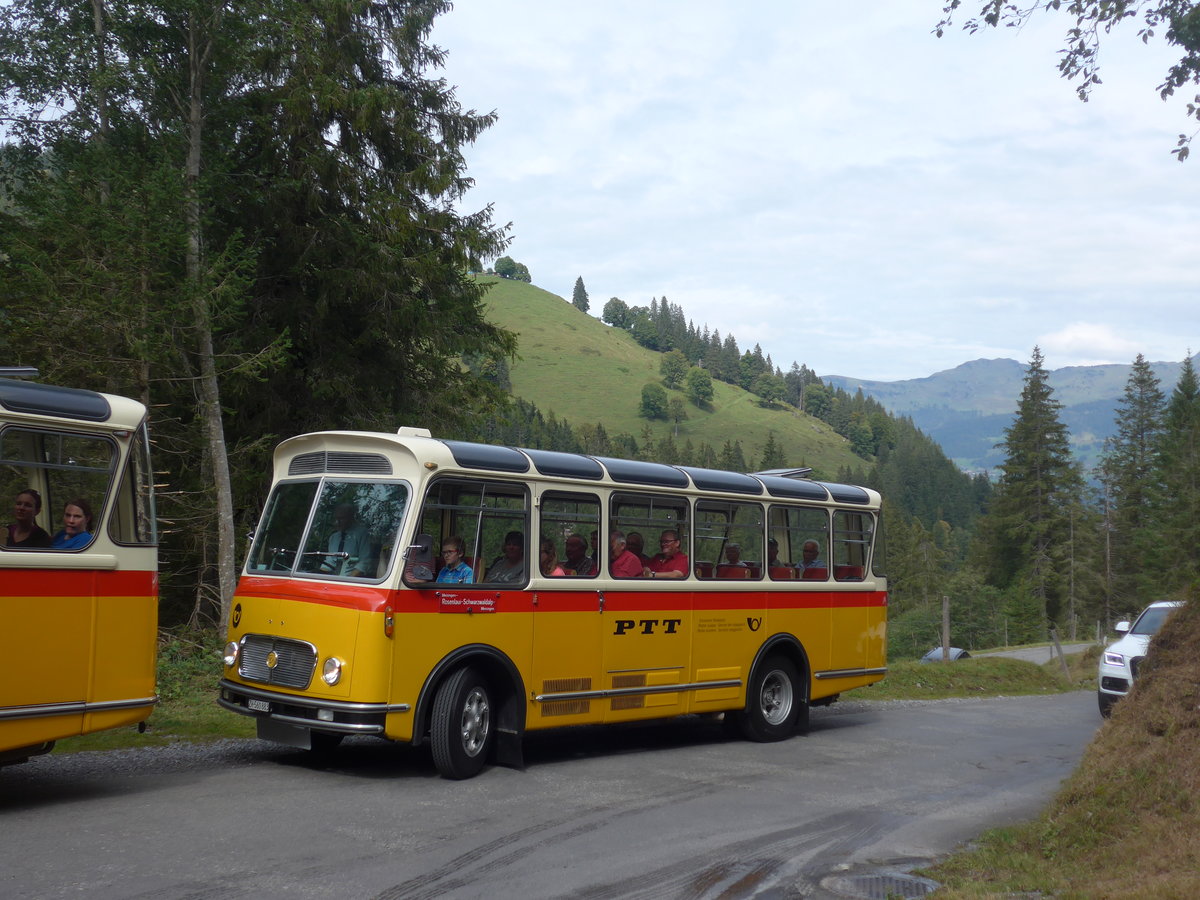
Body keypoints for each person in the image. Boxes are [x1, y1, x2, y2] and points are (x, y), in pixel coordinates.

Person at [323, 503, 374, 576]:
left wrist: (347, 580)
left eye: (341, 518)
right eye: (336, 519)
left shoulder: (362, 534)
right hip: (332, 579)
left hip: (352, 581)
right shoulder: (334, 538)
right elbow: (330, 561)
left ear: (351, 518)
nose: (338, 522)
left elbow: (364, 562)